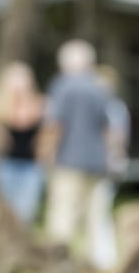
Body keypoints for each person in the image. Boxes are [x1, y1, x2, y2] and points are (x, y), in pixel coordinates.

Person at [42, 39, 111, 256]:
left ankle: (58, 259)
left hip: (68, 161)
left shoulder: (62, 86)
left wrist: (47, 152)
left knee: (63, 214)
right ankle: (92, 261)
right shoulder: (99, 87)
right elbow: (107, 127)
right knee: (94, 216)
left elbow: (55, 125)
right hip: (97, 161)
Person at [0, 61, 47, 225]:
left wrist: (44, 146)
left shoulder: (39, 104)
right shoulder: (2, 106)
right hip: (8, 164)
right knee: (7, 210)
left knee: (26, 210)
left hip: (32, 167)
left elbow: (54, 127)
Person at [86, 65, 130, 272]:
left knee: (100, 210)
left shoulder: (113, 108)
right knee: (96, 211)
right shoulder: (110, 106)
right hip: (98, 164)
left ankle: (105, 257)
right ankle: (98, 254)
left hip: (105, 166)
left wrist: (113, 160)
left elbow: (117, 137)